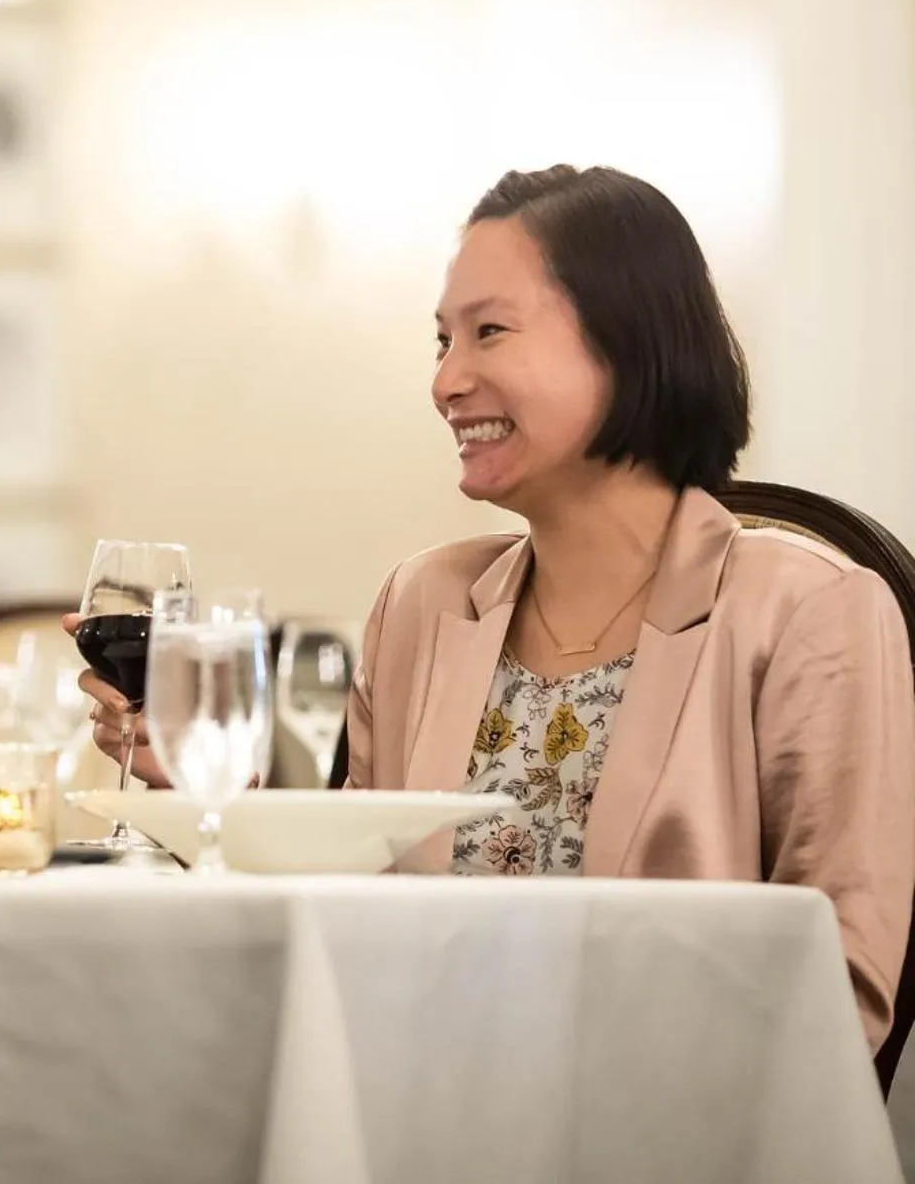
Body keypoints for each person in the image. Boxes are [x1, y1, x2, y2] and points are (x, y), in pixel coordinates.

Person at [82, 165, 915, 1052]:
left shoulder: (809, 610)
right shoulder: (422, 603)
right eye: (441, 342)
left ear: (628, 343)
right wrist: (197, 784)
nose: (447, 381)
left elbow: (844, 986)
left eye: (489, 332)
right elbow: (346, 907)